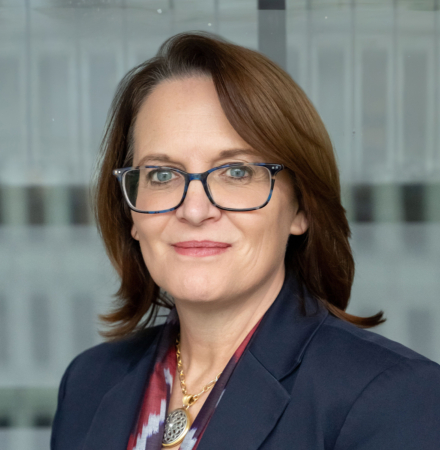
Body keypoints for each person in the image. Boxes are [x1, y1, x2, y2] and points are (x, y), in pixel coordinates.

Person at [50, 32, 440, 450]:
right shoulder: (88, 383)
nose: (194, 210)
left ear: (300, 208)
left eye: (236, 172)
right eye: (162, 175)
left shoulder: (394, 397)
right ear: (132, 213)